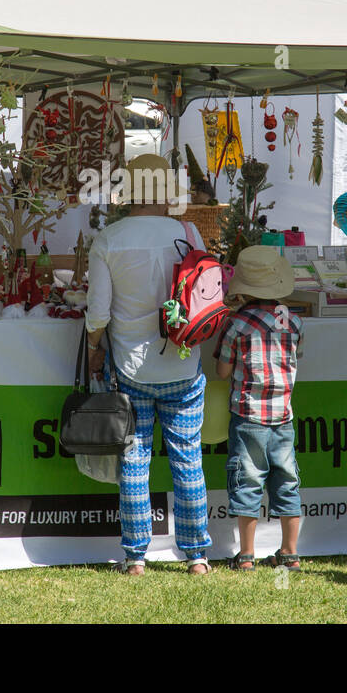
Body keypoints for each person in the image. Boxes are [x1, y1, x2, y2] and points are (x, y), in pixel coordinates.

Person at [86, 153, 212, 575]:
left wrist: (93, 349)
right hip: (182, 362)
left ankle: (135, 556)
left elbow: (98, 313)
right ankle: (197, 556)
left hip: (131, 367)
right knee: (187, 458)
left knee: (134, 460)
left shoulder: (108, 239)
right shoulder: (189, 232)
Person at [213, 246, 304, 571]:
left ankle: (247, 555)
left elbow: (223, 372)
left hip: (247, 415)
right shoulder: (293, 322)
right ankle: (289, 553)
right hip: (283, 416)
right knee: (286, 481)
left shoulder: (236, 323)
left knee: (247, 481)